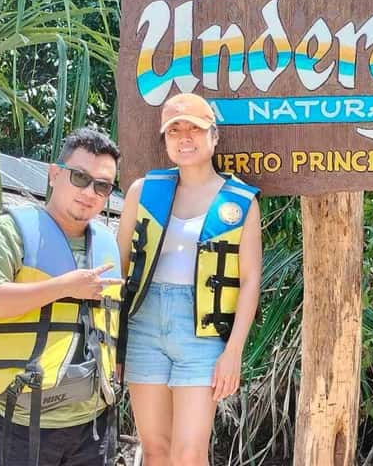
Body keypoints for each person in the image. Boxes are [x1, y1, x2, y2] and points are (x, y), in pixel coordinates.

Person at [0, 128, 123, 466]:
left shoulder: (108, 245)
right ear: (54, 174)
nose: (89, 192)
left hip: (93, 425)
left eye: (102, 185)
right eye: (79, 177)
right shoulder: (11, 230)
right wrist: (63, 287)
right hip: (20, 422)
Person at [117, 93, 262, 466]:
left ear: (213, 137)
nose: (184, 138)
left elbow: (249, 281)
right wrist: (114, 342)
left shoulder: (240, 200)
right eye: (174, 130)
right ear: (164, 140)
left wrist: (233, 352)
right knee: (155, 449)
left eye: (194, 129)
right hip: (144, 323)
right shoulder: (143, 191)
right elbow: (119, 269)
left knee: (190, 452)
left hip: (203, 330)